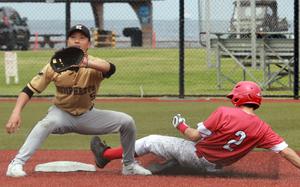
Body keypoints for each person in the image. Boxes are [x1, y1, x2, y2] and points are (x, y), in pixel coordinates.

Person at [5, 24, 151, 177]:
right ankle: (16, 164)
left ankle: (129, 165)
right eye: (73, 37)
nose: (77, 41)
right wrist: (16, 113)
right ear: (67, 41)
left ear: (89, 43)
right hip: (61, 114)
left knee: (127, 122)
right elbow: (28, 90)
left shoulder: (94, 64)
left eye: (82, 38)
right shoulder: (55, 65)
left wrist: (86, 63)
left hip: (88, 116)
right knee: (45, 124)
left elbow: (111, 68)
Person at [90, 81, 300, 174]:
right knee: (175, 152)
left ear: (239, 97)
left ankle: (105, 155)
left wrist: (180, 124)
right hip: (216, 168)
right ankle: (170, 166)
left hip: (197, 155)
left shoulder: (225, 112)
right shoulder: (264, 129)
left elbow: (193, 137)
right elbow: (287, 152)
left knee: (151, 141)